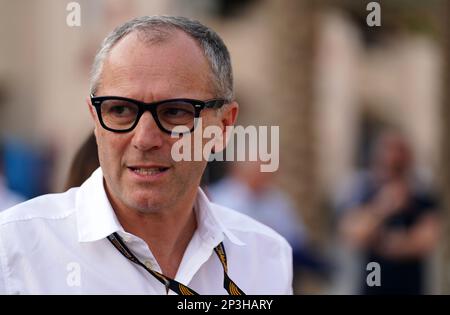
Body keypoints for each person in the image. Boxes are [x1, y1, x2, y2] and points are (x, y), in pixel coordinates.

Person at [0, 16, 292, 294]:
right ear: (95, 117)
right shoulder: (14, 252)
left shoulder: (264, 258)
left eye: (175, 112)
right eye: (120, 110)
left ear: (223, 125)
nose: (144, 139)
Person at [336, 131, 440, 294]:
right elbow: (353, 234)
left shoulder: (421, 196)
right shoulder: (364, 191)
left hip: (410, 285)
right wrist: (383, 207)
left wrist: (392, 244)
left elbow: (428, 239)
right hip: (373, 281)